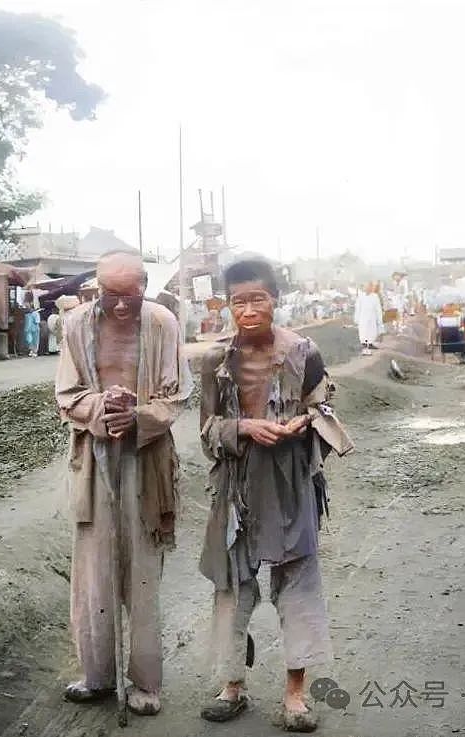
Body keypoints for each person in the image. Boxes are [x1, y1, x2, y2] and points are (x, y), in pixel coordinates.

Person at [198, 259, 353, 733]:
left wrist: (302, 424)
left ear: (275, 300)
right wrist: (243, 426)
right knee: (231, 585)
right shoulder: (216, 361)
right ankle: (232, 686)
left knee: (298, 584)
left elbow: (323, 408)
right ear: (227, 305)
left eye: (257, 299)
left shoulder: (304, 353)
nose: (248, 310)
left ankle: (295, 694)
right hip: (236, 486)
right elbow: (206, 431)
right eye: (238, 301)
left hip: (290, 482)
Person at [55, 250, 192, 716]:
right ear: (97, 288)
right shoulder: (74, 326)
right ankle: (96, 676)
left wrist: (137, 415)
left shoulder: (162, 323)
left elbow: (178, 396)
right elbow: (66, 395)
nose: (119, 307)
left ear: (145, 286)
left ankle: (146, 683)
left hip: (146, 456)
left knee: (142, 571)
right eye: (110, 295)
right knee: (94, 571)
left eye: (129, 296)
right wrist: (101, 408)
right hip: (94, 457)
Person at [353, 282, 383, 354]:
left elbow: (378, 309)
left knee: (372, 333)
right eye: (366, 287)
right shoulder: (360, 297)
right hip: (363, 318)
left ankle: (369, 345)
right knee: (364, 333)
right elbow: (358, 308)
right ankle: (365, 347)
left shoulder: (375, 296)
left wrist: (379, 319)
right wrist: (356, 318)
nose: (368, 288)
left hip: (372, 318)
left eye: (370, 287)